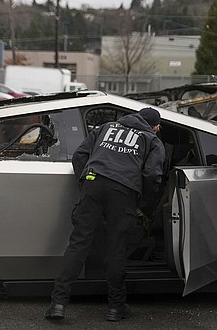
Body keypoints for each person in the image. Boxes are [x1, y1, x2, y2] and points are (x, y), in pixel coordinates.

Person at [45, 107, 165, 322]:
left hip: (93, 182)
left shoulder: (106, 128)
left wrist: (86, 183)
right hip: (123, 191)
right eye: (158, 127)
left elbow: (80, 155)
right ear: (154, 126)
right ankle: (115, 308)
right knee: (115, 248)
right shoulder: (152, 140)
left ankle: (58, 304)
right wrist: (143, 203)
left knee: (78, 244)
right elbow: (153, 175)